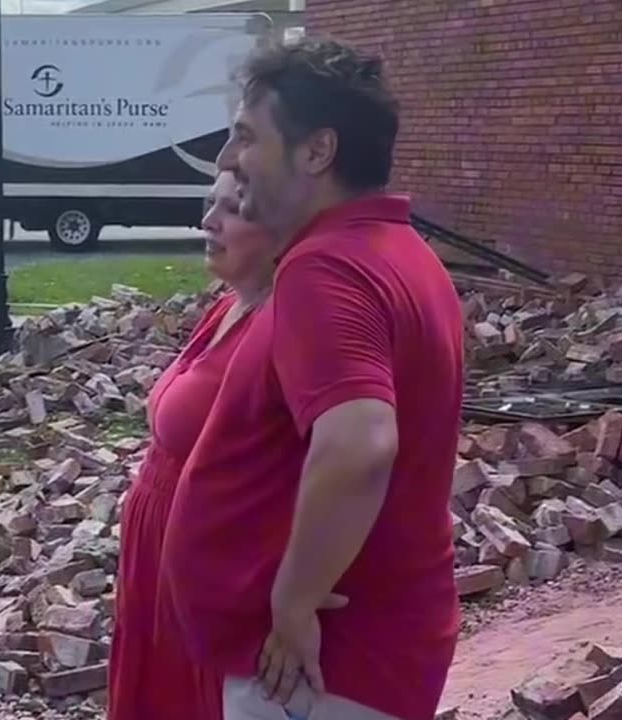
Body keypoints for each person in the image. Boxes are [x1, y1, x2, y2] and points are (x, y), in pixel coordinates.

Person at [163, 38, 464, 720]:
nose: (227, 160)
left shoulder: (324, 270)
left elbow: (360, 444)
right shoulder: (401, 252)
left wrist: (294, 602)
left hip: (321, 667)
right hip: (355, 659)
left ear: (316, 152)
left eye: (246, 137)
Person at [108, 171, 279, 720]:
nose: (210, 220)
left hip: (208, 564)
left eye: (232, 209)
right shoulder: (226, 307)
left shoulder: (283, 327)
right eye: (210, 203)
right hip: (158, 550)